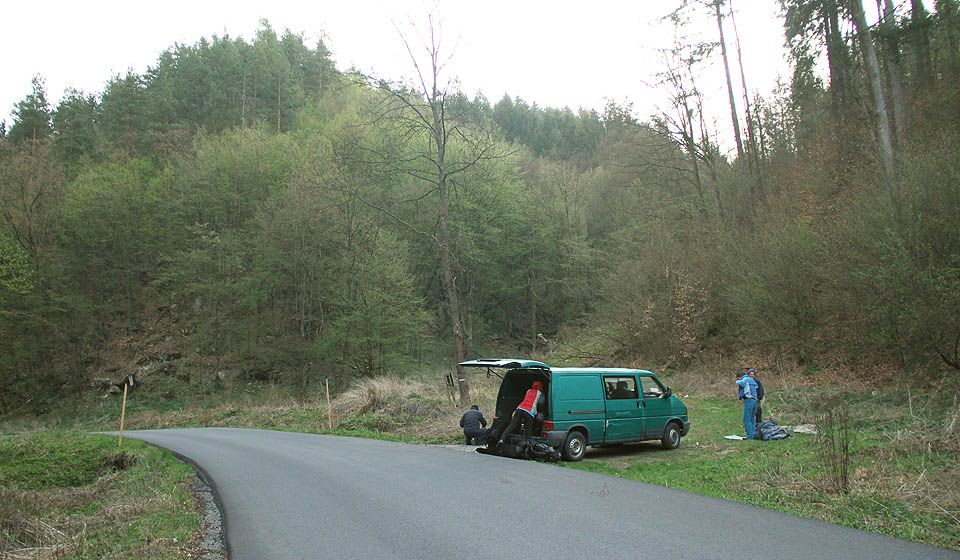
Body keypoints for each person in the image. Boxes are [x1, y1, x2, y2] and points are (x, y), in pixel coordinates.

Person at [497, 381, 544, 446]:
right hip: (529, 411)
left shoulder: (528, 391)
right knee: (528, 429)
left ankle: (501, 439)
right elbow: (541, 403)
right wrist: (540, 412)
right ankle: (528, 444)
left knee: (512, 425)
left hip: (520, 409)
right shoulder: (540, 393)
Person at [736, 370, 759, 440]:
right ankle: (754, 434)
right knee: (752, 418)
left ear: (739, 377)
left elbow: (742, 384)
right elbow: (756, 387)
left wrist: (737, 382)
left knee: (746, 418)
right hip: (755, 400)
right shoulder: (752, 380)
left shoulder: (745, 379)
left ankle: (750, 435)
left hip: (749, 400)